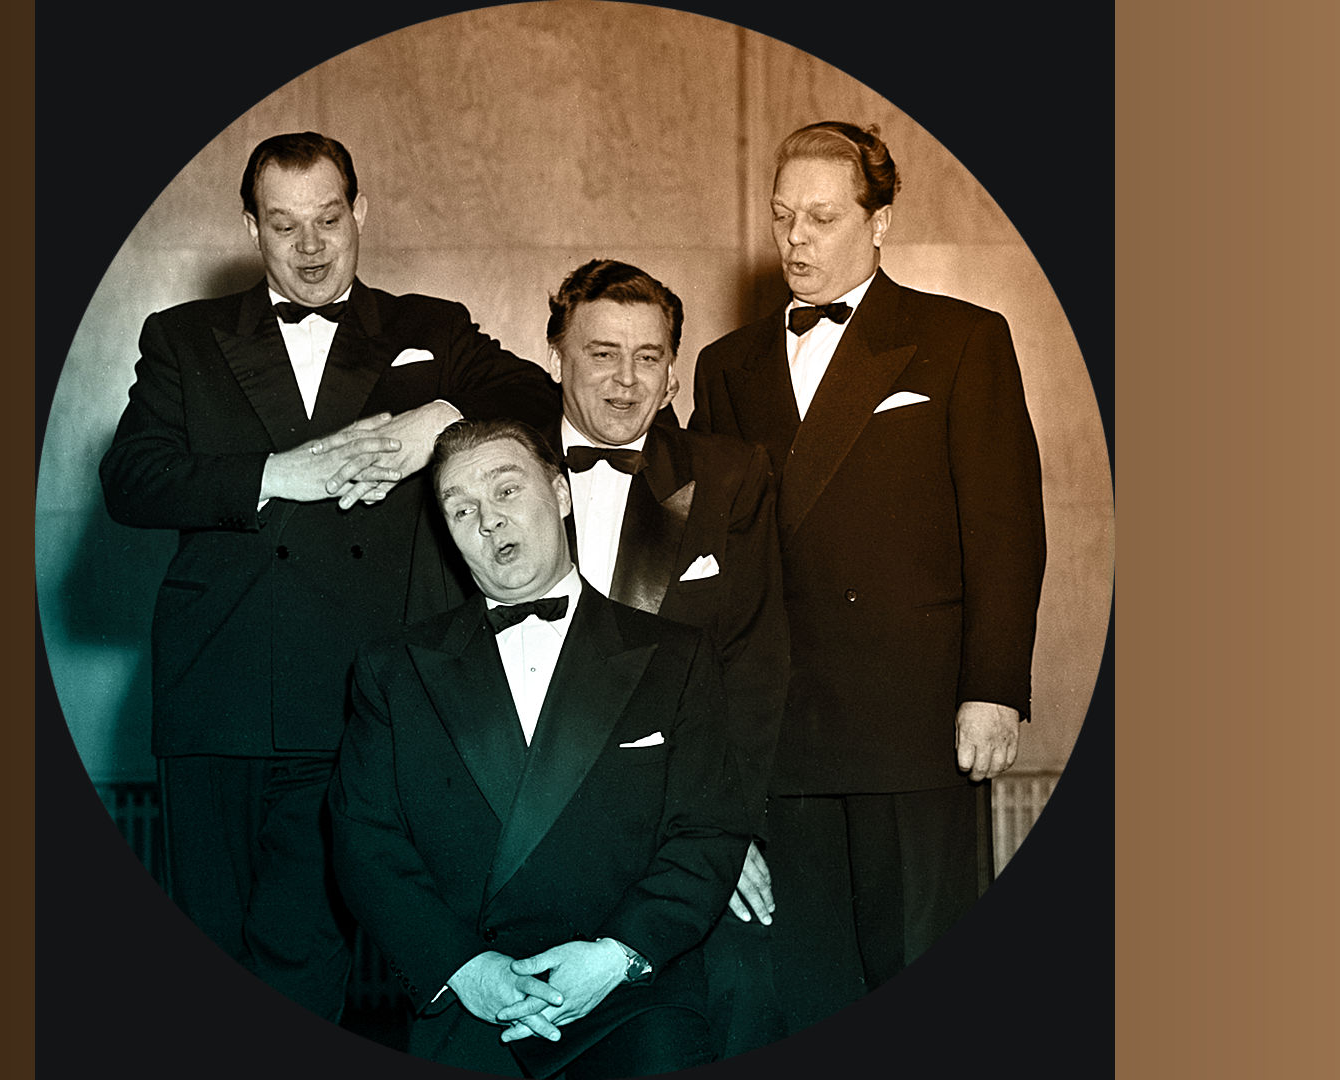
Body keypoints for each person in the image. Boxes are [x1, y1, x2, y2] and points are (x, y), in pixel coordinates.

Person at [98, 131, 560, 1019]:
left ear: (360, 213)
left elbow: (540, 397)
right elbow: (131, 479)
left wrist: (440, 415)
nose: (310, 247)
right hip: (216, 691)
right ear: (251, 228)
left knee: (304, 957)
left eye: (328, 219)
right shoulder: (185, 335)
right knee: (206, 946)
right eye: (284, 226)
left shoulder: (428, 328)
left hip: (349, 697)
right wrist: (280, 472)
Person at [689, 120, 1047, 1033]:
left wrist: (993, 689)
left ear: (879, 221)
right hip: (782, 729)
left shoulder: (960, 339)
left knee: (921, 967)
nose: (795, 240)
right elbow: (710, 562)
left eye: (822, 218)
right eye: (782, 217)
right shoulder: (727, 366)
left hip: (914, 724)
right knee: (805, 989)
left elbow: (1005, 530)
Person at [329, 419, 749, 1078]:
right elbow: (365, 841)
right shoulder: (394, 669)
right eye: (462, 509)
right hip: (473, 1002)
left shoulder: (677, 657)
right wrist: (464, 969)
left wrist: (617, 955)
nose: (489, 520)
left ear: (559, 493)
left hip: (634, 995)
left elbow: (709, 830)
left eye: (506, 490)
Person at [542, 258, 789, 1056]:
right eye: (602, 353)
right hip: (534, 831)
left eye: (648, 357)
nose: (626, 380)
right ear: (557, 356)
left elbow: (752, 672)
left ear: (673, 372)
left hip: (683, 828)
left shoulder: (730, 477)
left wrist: (727, 836)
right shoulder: (501, 468)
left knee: (744, 996)